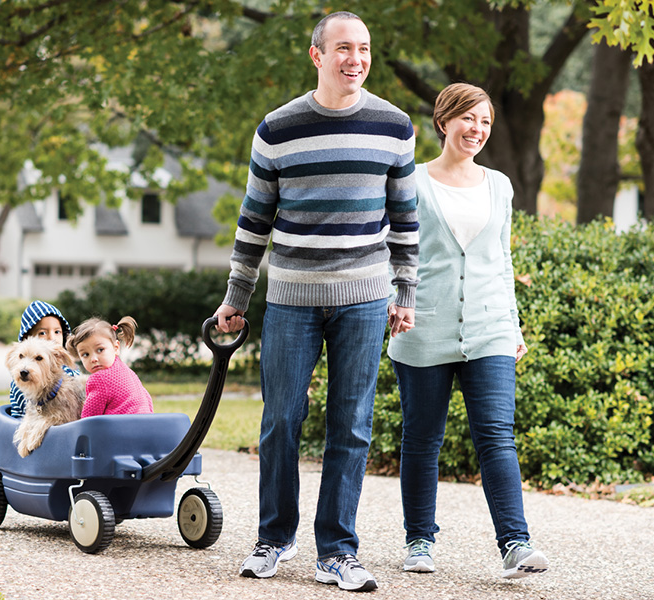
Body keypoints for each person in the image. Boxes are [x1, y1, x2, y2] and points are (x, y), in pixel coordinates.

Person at [213, 10, 419, 593]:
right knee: (281, 419)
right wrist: (237, 296)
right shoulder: (278, 129)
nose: (356, 59)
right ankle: (274, 538)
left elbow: (405, 220)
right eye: (344, 49)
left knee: (351, 425)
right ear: (317, 56)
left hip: (365, 298)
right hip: (293, 298)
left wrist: (405, 292)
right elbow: (254, 221)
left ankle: (338, 551)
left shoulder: (394, 125)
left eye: (365, 48)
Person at [387, 83, 549, 579]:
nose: (476, 130)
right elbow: (393, 251)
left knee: (497, 436)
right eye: (468, 119)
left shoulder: (499, 185)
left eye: (485, 122)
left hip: (489, 327)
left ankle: (516, 544)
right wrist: (397, 301)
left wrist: (513, 322)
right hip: (424, 328)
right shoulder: (410, 181)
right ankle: (419, 542)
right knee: (421, 440)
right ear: (444, 121)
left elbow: (502, 259)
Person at [66, 316, 153, 418]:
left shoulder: (99, 379)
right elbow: (147, 399)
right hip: (146, 424)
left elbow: (89, 418)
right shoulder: (128, 371)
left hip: (121, 430)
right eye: (85, 354)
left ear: (116, 347)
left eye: (100, 350)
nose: (93, 359)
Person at [8, 300, 79, 418]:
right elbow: (18, 418)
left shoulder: (72, 372)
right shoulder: (21, 382)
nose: (52, 337)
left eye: (57, 332)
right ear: (27, 338)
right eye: (42, 333)